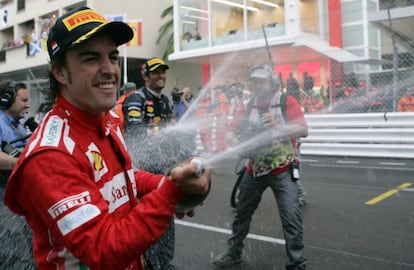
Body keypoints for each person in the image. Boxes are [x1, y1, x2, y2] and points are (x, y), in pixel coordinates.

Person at [4, 6, 210, 270]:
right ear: (60, 72)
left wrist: (165, 184)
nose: (109, 69)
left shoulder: (108, 119)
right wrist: (168, 196)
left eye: (112, 57)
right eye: (91, 58)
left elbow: (121, 178)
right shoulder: (50, 155)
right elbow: (103, 250)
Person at [211, 64, 308, 270]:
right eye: (254, 81)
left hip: (282, 169)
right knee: (241, 215)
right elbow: (231, 131)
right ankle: (233, 254)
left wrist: (278, 125)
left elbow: (303, 130)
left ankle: (297, 264)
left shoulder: (284, 101)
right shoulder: (247, 106)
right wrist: (238, 144)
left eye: (261, 80)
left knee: (291, 217)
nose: (257, 85)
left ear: (271, 82)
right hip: (254, 169)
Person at [123, 57, 178, 270]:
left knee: (166, 214)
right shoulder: (136, 99)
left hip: (160, 168)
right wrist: (161, 134)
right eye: (156, 72)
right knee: (146, 218)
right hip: (139, 169)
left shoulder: (165, 102)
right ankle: (150, 264)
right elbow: (135, 130)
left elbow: (171, 134)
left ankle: (165, 262)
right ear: (145, 76)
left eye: (163, 72)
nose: (161, 76)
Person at [0, 80, 37, 270]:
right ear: (6, 100)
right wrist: (23, 162)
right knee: (15, 256)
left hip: (21, 202)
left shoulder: (20, 125)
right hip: (3, 204)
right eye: (23, 100)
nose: (28, 105)